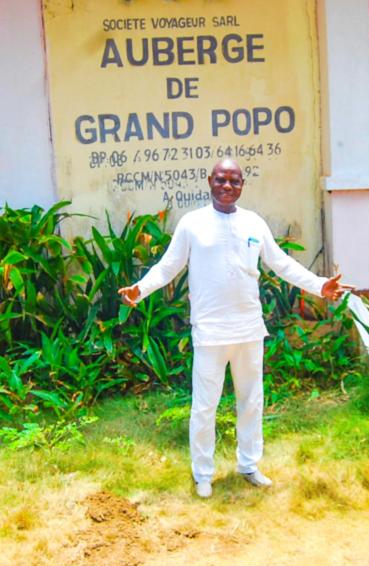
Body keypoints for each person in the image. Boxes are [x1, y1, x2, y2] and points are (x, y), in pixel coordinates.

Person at [118, 159, 351, 498]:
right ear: (210, 181)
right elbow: (168, 267)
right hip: (210, 332)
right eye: (221, 180)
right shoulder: (192, 224)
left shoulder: (253, 223)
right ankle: (203, 474)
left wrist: (319, 285)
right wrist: (140, 290)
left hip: (248, 330)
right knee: (204, 405)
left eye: (234, 181)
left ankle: (249, 465)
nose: (227, 186)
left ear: (242, 185)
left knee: (251, 401)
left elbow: (281, 263)